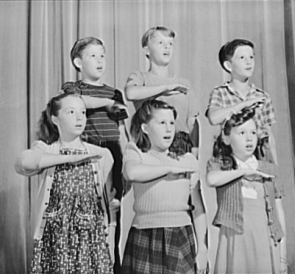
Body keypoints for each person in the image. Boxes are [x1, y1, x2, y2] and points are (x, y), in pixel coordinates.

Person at [14, 92, 118, 273]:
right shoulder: (47, 149)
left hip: (91, 242)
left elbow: (110, 201)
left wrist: (111, 234)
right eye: (71, 112)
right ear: (55, 119)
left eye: (83, 112)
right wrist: (68, 158)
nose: (79, 118)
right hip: (55, 241)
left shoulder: (101, 154)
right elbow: (23, 163)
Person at [61, 37, 128, 273]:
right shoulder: (73, 88)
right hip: (87, 152)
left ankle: (111, 263)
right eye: (93, 56)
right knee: (86, 211)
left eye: (102, 55)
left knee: (112, 211)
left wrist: (126, 159)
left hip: (113, 150)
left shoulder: (115, 93)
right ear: (78, 62)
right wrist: (107, 103)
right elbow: (76, 102)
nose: (100, 61)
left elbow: (121, 131)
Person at [121, 99, 208, 274]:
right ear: (145, 128)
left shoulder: (187, 159)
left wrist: (203, 249)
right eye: (162, 123)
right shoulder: (135, 153)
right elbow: (131, 173)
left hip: (179, 236)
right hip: (144, 235)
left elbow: (198, 209)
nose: (169, 129)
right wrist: (169, 168)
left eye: (171, 123)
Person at [206, 107, 287, 273]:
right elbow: (211, 179)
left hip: (265, 242)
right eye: (242, 133)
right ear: (227, 139)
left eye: (253, 132)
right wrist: (244, 172)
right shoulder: (221, 166)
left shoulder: (270, 168)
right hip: (236, 242)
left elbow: (279, 214)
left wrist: (282, 257)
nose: (249, 138)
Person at [124, 26, 199, 157]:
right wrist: (165, 88)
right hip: (150, 142)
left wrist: (195, 153)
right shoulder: (140, 77)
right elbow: (131, 93)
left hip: (181, 143)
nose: (167, 47)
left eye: (170, 44)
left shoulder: (184, 83)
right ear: (147, 50)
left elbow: (192, 122)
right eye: (160, 43)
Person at [206, 39, 278, 164]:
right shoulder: (220, 93)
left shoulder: (262, 96)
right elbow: (213, 118)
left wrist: (275, 166)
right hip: (230, 159)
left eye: (251, 57)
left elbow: (269, 136)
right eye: (242, 58)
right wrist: (245, 104)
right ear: (228, 65)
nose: (248, 61)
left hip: (258, 158)